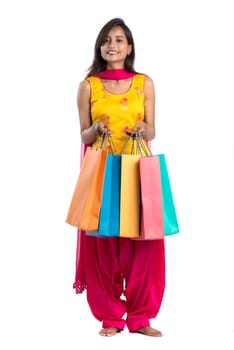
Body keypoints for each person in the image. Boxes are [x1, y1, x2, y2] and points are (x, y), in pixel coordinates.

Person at [73, 17, 165, 337]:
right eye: (106, 40)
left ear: (129, 48)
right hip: (101, 171)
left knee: (143, 242)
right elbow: (84, 136)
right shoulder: (89, 86)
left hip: (137, 170)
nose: (112, 45)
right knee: (103, 241)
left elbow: (152, 127)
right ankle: (111, 316)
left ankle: (141, 317)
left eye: (119, 39)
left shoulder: (144, 83)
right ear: (100, 47)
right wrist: (95, 129)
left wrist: (143, 129)